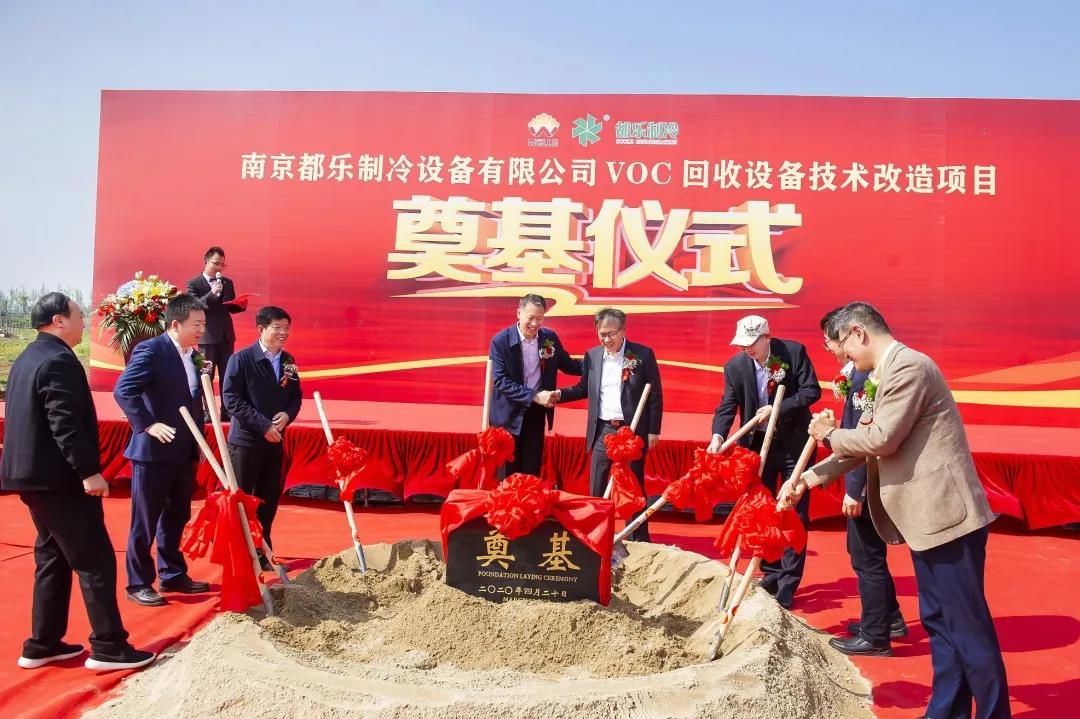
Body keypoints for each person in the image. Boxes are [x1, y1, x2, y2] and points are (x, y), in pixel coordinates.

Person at [782, 301, 1009, 719]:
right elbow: (866, 441)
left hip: (948, 519)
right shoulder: (884, 374)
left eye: (842, 347)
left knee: (967, 628)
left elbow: (881, 439)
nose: (842, 357)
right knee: (940, 624)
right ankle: (947, 711)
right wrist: (808, 479)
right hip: (926, 521)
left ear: (858, 333)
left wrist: (829, 433)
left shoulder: (909, 368)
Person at [1, 293, 155, 670]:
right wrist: (88, 471)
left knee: (52, 557)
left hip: (32, 477)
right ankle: (109, 646)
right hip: (59, 479)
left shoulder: (28, 357)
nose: (84, 321)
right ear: (58, 321)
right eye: (79, 315)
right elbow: (64, 423)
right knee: (95, 559)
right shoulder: (57, 360)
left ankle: (43, 643)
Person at [708, 315, 820, 608]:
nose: (747, 349)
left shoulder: (792, 352)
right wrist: (718, 436)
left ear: (766, 336)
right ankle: (770, 572)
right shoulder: (735, 366)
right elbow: (727, 405)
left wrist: (778, 408)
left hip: (794, 444)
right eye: (742, 344)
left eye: (752, 343)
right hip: (759, 447)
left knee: (793, 511)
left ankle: (789, 581)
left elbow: (811, 391)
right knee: (763, 508)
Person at [113, 293, 211, 607]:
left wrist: (199, 438)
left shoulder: (194, 355)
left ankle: (172, 573)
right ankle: (138, 582)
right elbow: (124, 390)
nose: (201, 330)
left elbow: (194, 398)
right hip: (153, 452)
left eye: (203, 324)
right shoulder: (151, 350)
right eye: (196, 324)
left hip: (183, 450)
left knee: (176, 516)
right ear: (175, 324)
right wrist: (147, 424)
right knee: (145, 520)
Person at [819, 307, 905, 657]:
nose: (830, 349)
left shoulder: (865, 377)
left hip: (867, 482)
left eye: (831, 342)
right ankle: (889, 618)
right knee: (862, 552)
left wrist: (855, 490)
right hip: (865, 477)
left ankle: (875, 635)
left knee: (866, 557)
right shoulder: (858, 373)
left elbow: (864, 438)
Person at [557, 308, 662, 541]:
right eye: (602, 334)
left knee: (633, 484)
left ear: (623, 330)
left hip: (631, 430)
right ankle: (596, 535)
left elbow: (655, 394)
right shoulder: (593, 355)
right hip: (603, 429)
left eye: (611, 334)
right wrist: (559, 395)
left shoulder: (642, 355)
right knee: (597, 483)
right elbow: (583, 388)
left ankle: (638, 539)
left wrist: (654, 430)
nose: (606, 339)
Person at [222, 306, 302, 567]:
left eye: (286, 328)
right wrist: (263, 426)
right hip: (246, 443)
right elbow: (231, 399)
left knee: (268, 500)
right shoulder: (242, 359)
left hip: (275, 442)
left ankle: (262, 550)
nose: (283, 333)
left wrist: (287, 415)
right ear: (261, 329)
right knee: (242, 500)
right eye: (277, 327)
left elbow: (296, 396)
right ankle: (237, 552)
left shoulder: (288, 361)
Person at [488, 294, 581, 477]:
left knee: (530, 472)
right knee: (507, 474)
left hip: (535, 412)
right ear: (519, 313)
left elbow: (569, 365)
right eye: (530, 318)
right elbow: (500, 381)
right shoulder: (501, 341)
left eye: (540, 318)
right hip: (508, 415)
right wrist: (534, 395)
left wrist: (599, 362)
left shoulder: (548, 338)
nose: (534, 323)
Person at [186, 246, 247, 420]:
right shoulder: (194, 283)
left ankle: (227, 411)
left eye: (222, 264)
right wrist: (212, 293)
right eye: (216, 263)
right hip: (206, 336)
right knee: (206, 374)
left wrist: (240, 305)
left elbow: (230, 306)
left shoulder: (227, 282)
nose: (219, 267)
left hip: (226, 335)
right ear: (206, 262)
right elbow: (193, 306)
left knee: (228, 374)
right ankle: (207, 412)